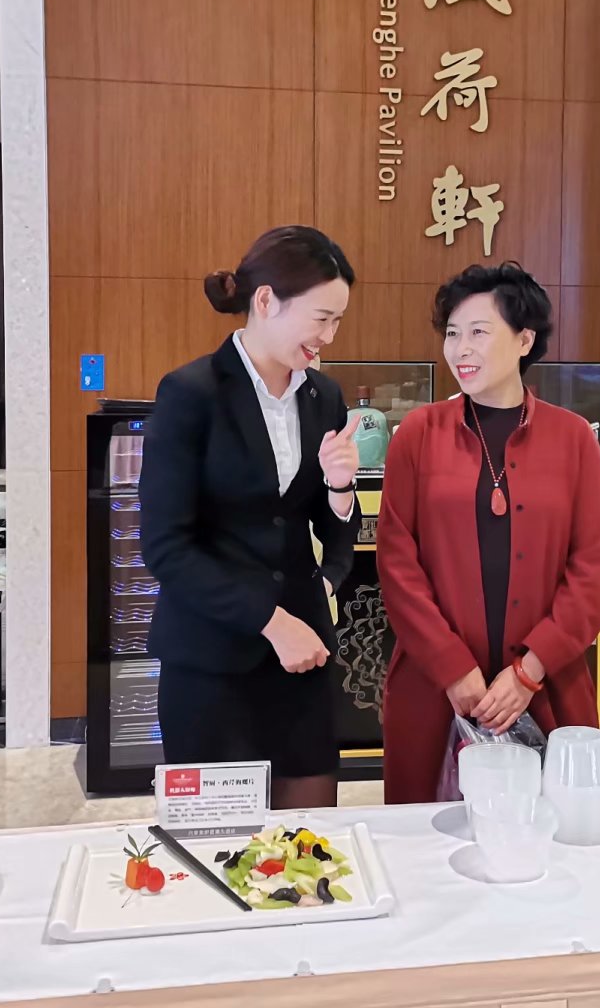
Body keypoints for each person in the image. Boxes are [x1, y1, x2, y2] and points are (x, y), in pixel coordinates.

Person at [139, 226, 362, 810]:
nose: (328, 337)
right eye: (321, 318)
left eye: (337, 321)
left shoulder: (323, 396)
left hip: (303, 655)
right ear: (265, 301)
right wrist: (271, 621)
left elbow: (329, 526)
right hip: (212, 657)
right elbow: (165, 547)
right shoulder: (191, 393)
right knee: (219, 840)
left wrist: (341, 489)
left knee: (310, 839)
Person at [377, 263, 600, 805]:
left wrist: (528, 673)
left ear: (524, 340)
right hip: (435, 685)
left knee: (550, 829)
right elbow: (397, 563)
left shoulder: (574, 437)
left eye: (479, 332)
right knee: (427, 835)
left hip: (547, 683)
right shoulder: (417, 434)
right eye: (452, 333)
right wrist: (454, 669)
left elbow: (591, 571)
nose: (461, 349)